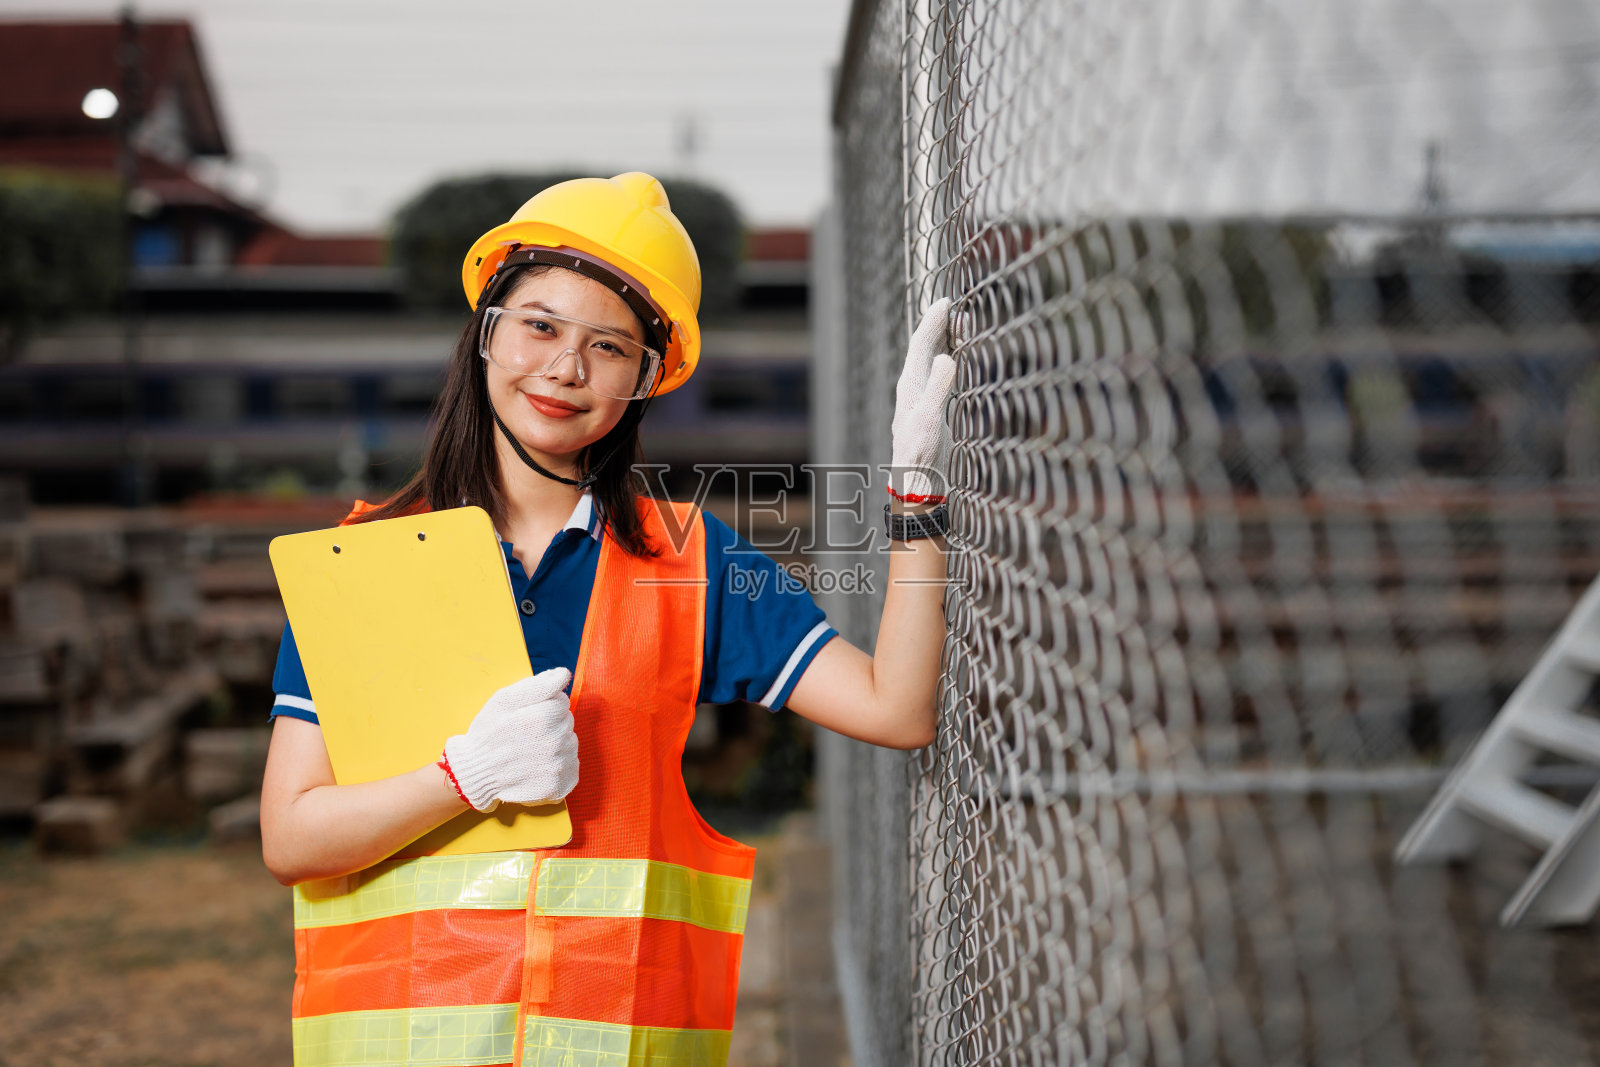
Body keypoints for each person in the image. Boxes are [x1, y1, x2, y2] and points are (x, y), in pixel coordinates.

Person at [259, 172, 954, 1066]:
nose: (565, 368)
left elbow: (896, 708)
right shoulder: (363, 561)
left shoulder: (692, 561)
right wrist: (462, 778)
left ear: (646, 378)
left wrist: (914, 500)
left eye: (610, 347)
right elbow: (291, 836)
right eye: (540, 325)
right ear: (487, 333)